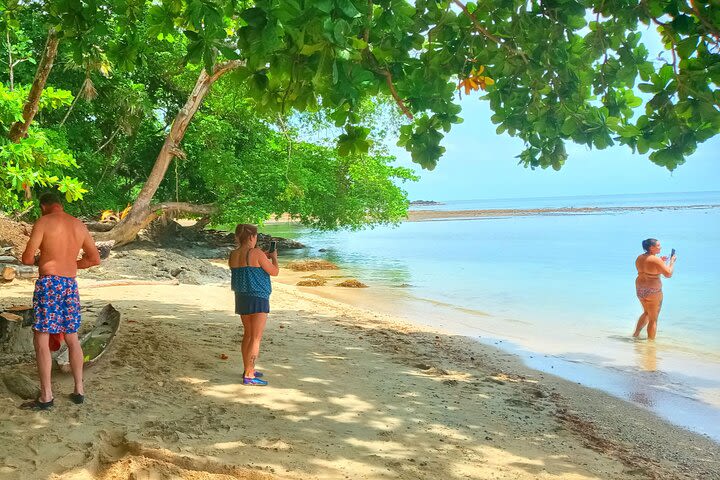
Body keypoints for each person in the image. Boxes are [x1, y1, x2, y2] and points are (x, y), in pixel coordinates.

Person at [20, 192, 101, 410]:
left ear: (43, 207)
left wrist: (41, 259)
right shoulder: (79, 225)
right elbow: (94, 258)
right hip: (70, 285)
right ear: (60, 205)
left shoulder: (43, 222)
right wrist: (72, 264)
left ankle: (46, 395)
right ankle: (79, 390)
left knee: (42, 337)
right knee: (72, 337)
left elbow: (26, 258)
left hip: (49, 284)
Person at [229, 224, 278, 386]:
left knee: (248, 335)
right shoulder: (255, 253)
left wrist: (262, 256)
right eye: (256, 236)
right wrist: (274, 257)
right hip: (258, 297)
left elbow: (247, 266)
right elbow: (274, 271)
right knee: (256, 337)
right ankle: (249, 375)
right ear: (252, 237)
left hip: (241, 297)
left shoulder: (233, 254)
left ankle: (247, 368)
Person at [633, 238, 676, 340]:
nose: (660, 247)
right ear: (651, 248)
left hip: (640, 289)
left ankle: (635, 335)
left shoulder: (639, 258)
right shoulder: (655, 260)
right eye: (658, 245)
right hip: (653, 291)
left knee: (646, 313)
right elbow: (668, 274)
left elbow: (648, 268)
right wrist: (672, 262)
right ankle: (651, 344)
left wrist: (661, 262)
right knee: (653, 319)